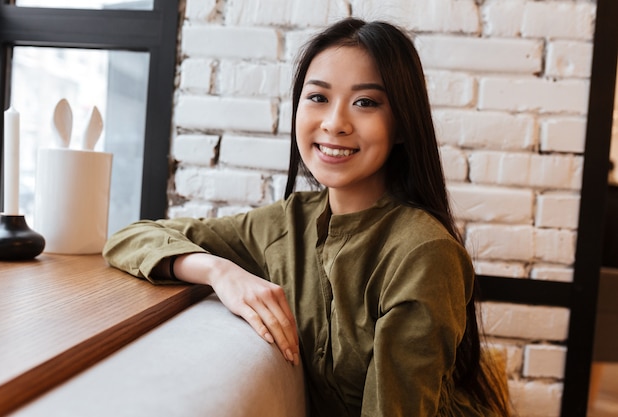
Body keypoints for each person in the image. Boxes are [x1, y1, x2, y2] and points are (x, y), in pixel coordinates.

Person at [103, 18, 511, 417]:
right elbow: (131, 237)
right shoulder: (288, 223)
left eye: (365, 103)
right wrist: (220, 272)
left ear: (402, 124)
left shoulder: (423, 252)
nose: (335, 123)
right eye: (318, 97)